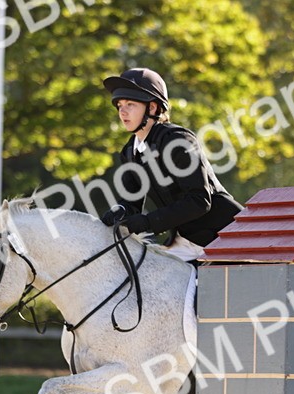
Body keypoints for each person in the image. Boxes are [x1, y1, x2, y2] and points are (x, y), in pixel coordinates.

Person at [98, 68, 242, 264]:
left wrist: (149, 222)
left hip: (223, 236)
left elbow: (199, 200)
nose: (122, 111)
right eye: (119, 105)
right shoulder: (130, 151)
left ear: (153, 108)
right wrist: (120, 212)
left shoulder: (178, 141)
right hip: (183, 241)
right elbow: (132, 202)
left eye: (130, 104)